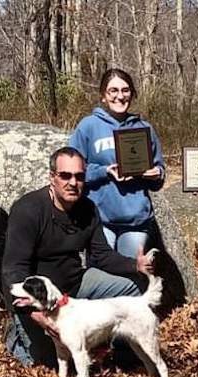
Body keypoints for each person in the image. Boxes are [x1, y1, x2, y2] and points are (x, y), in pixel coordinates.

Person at [2, 147, 155, 367]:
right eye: (65, 175)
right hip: (38, 297)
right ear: (52, 177)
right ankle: (17, 336)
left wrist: (136, 264)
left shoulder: (88, 208)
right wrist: (32, 313)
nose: (73, 182)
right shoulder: (28, 210)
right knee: (48, 363)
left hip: (76, 286)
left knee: (130, 287)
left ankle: (119, 351)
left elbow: (102, 255)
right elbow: (13, 269)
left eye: (79, 176)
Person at [69, 69, 165, 258]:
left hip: (135, 221)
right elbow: (73, 170)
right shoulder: (88, 126)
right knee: (104, 279)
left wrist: (156, 174)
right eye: (113, 90)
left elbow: (159, 177)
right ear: (103, 95)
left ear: (132, 93)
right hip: (99, 220)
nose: (120, 96)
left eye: (125, 90)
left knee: (131, 278)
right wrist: (105, 171)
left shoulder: (144, 129)